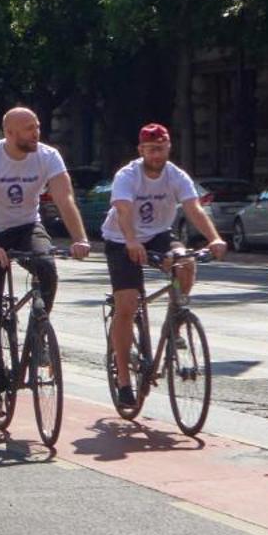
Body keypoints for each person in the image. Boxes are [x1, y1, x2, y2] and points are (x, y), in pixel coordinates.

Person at [0, 107, 92, 418]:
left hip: (26, 227)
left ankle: (38, 334)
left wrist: (80, 238)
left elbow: (65, 199)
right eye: (28, 129)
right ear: (9, 133)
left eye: (37, 126)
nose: (36, 133)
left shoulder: (48, 156)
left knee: (47, 267)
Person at [102, 123, 227, 411]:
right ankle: (123, 379)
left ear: (169, 147)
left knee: (185, 263)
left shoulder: (176, 175)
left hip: (158, 234)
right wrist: (132, 241)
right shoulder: (128, 175)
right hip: (123, 237)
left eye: (161, 148)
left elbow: (194, 208)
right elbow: (123, 210)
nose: (157, 155)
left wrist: (215, 238)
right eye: (151, 149)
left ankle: (176, 320)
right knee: (127, 304)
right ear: (141, 150)